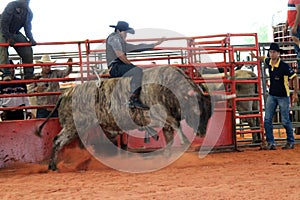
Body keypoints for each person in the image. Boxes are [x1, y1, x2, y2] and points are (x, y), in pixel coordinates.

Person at [106, 21, 165, 109]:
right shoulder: (114, 38)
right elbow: (119, 54)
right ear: (118, 30)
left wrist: (154, 44)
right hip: (115, 67)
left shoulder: (121, 42)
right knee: (137, 71)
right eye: (125, 32)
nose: (126, 35)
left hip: (118, 66)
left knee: (137, 70)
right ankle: (133, 99)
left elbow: (137, 47)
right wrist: (130, 65)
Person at [250, 42, 298, 150]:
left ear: (278, 53)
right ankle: (271, 142)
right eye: (270, 52)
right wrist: (255, 57)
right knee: (267, 119)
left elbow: (295, 77)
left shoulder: (284, 66)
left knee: (285, 120)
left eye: (274, 52)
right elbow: (263, 58)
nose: (272, 54)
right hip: (273, 94)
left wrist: (295, 92)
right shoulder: (270, 62)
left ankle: (290, 141)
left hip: (283, 95)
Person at [0, 0, 37, 81]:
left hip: (14, 31)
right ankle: (6, 74)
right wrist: (9, 37)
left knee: (27, 50)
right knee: (2, 48)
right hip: (2, 30)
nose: (26, 2)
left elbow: (27, 27)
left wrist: (30, 38)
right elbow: (3, 23)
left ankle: (29, 74)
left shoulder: (28, 12)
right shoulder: (11, 6)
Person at [285, 0, 300, 73]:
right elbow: (289, 14)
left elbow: (299, 12)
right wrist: (286, 25)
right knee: (297, 48)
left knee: (298, 47)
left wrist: (295, 25)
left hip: (296, 26)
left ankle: (299, 67)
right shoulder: (290, 1)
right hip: (293, 25)